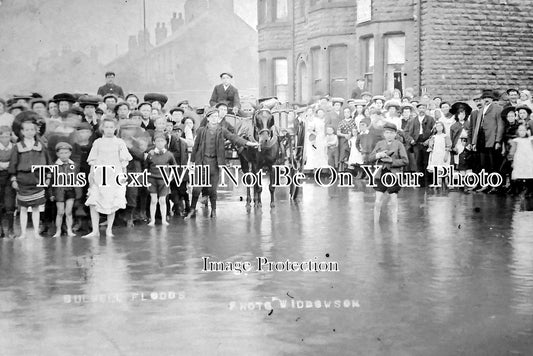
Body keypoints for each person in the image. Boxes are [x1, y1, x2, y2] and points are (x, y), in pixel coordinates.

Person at [185, 108, 258, 219]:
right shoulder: (201, 131)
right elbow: (195, 147)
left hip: (214, 163)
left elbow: (234, 138)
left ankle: (213, 210)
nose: (215, 119)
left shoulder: (222, 130)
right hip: (202, 163)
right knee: (196, 188)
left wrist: (248, 143)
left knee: (212, 190)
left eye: (217, 117)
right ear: (208, 118)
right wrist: (192, 161)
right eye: (213, 116)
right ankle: (192, 209)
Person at [83, 118, 132, 237]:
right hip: (99, 174)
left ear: (115, 129)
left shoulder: (119, 142)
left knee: (112, 201)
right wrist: (92, 175)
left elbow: (124, 161)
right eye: (106, 127)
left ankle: (109, 229)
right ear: (102, 128)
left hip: (114, 175)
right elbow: (93, 160)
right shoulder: (98, 142)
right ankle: (95, 231)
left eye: (111, 127)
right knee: (94, 201)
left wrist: (123, 176)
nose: (109, 130)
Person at [9, 113, 51, 239]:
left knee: (36, 208)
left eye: (32, 129)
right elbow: (13, 164)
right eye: (26, 130)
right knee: (23, 208)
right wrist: (13, 179)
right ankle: (23, 233)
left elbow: (48, 163)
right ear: (21, 131)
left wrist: (47, 177)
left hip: (37, 179)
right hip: (23, 180)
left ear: (36, 130)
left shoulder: (41, 146)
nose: (29, 132)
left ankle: (36, 232)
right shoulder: (18, 147)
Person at [368, 122, 408, 223]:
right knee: (378, 200)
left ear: (395, 134)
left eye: (391, 133)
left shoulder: (399, 144)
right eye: (386, 132)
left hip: (394, 174)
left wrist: (392, 161)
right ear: (384, 134)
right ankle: (376, 222)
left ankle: (394, 222)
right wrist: (378, 155)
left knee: (393, 198)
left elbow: (405, 161)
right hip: (380, 174)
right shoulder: (379, 144)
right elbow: (370, 158)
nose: (389, 135)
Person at [468, 89, 504, 192]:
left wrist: (498, 141)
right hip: (481, 139)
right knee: (484, 164)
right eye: (484, 98)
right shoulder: (480, 110)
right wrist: (474, 142)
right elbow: (476, 127)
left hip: (491, 139)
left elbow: (500, 125)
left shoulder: (498, 108)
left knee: (494, 164)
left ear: (492, 99)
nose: (486, 100)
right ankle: (486, 184)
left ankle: (496, 185)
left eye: (488, 98)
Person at [146, 133, 177, 226]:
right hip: (152, 179)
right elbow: (146, 167)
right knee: (153, 200)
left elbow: (174, 166)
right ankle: (152, 220)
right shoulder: (150, 154)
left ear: (165, 142)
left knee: (162, 200)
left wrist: (170, 177)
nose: (160, 143)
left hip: (164, 180)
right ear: (154, 142)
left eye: (162, 141)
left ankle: (164, 220)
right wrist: (146, 180)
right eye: (157, 141)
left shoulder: (169, 154)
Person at [51, 142, 80, 237]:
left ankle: (69, 230)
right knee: (60, 211)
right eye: (61, 153)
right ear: (57, 154)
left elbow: (77, 179)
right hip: (59, 191)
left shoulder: (74, 165)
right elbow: (51, 181)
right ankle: (58, 230)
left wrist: (78, 192)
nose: (64, 155)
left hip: (70, 190)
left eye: (66, 153)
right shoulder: (54, 166)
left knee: (69, 211)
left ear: (70, 153)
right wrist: (51, 193)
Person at [412, 102, 436, 186]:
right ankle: (420, 182)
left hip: (427, 143)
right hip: (417, 143)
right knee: (418, 162)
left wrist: (430, 140)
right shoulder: (413, 120)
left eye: (423, 108)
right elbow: (407, 132)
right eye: (420, 108)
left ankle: (429, 182)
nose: (421, 110)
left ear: (425, 109)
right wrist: (411, 139)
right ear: (417, 109)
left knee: (427, 162)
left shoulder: (430, 119)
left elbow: (434, 131)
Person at [509, 124, 533, 196]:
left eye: (523, 130)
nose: (522, 132)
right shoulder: (516, 141)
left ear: (527, 131)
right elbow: (512, 151)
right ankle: (517, 190)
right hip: (519, 160)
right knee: (518, 175)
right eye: (520, 130)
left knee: (530, 175)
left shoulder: (530, 140)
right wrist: (512, 159)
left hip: (529, 160)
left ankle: (530, 191)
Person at [0, 126, 15, 238]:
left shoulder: (14, 148)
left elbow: (15, 162)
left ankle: (10, 229)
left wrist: (7, 166)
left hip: (10, 177)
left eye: (7, 136)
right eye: (2, 136)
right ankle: (0, 229)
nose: (5, 138)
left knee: (9, 204)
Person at [427, 121, 452, 189]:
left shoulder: (445, 136)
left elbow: (448, 146)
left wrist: (446, 154)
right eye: (437, 126)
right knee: (437, 169)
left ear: (443, 127)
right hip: (435, 154)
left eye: (440, 126)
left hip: (443, 154)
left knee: (444, 168)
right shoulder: (433, 137)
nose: (439, 127)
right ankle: (437, 182)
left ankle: (447, 183)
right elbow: (431, 147)